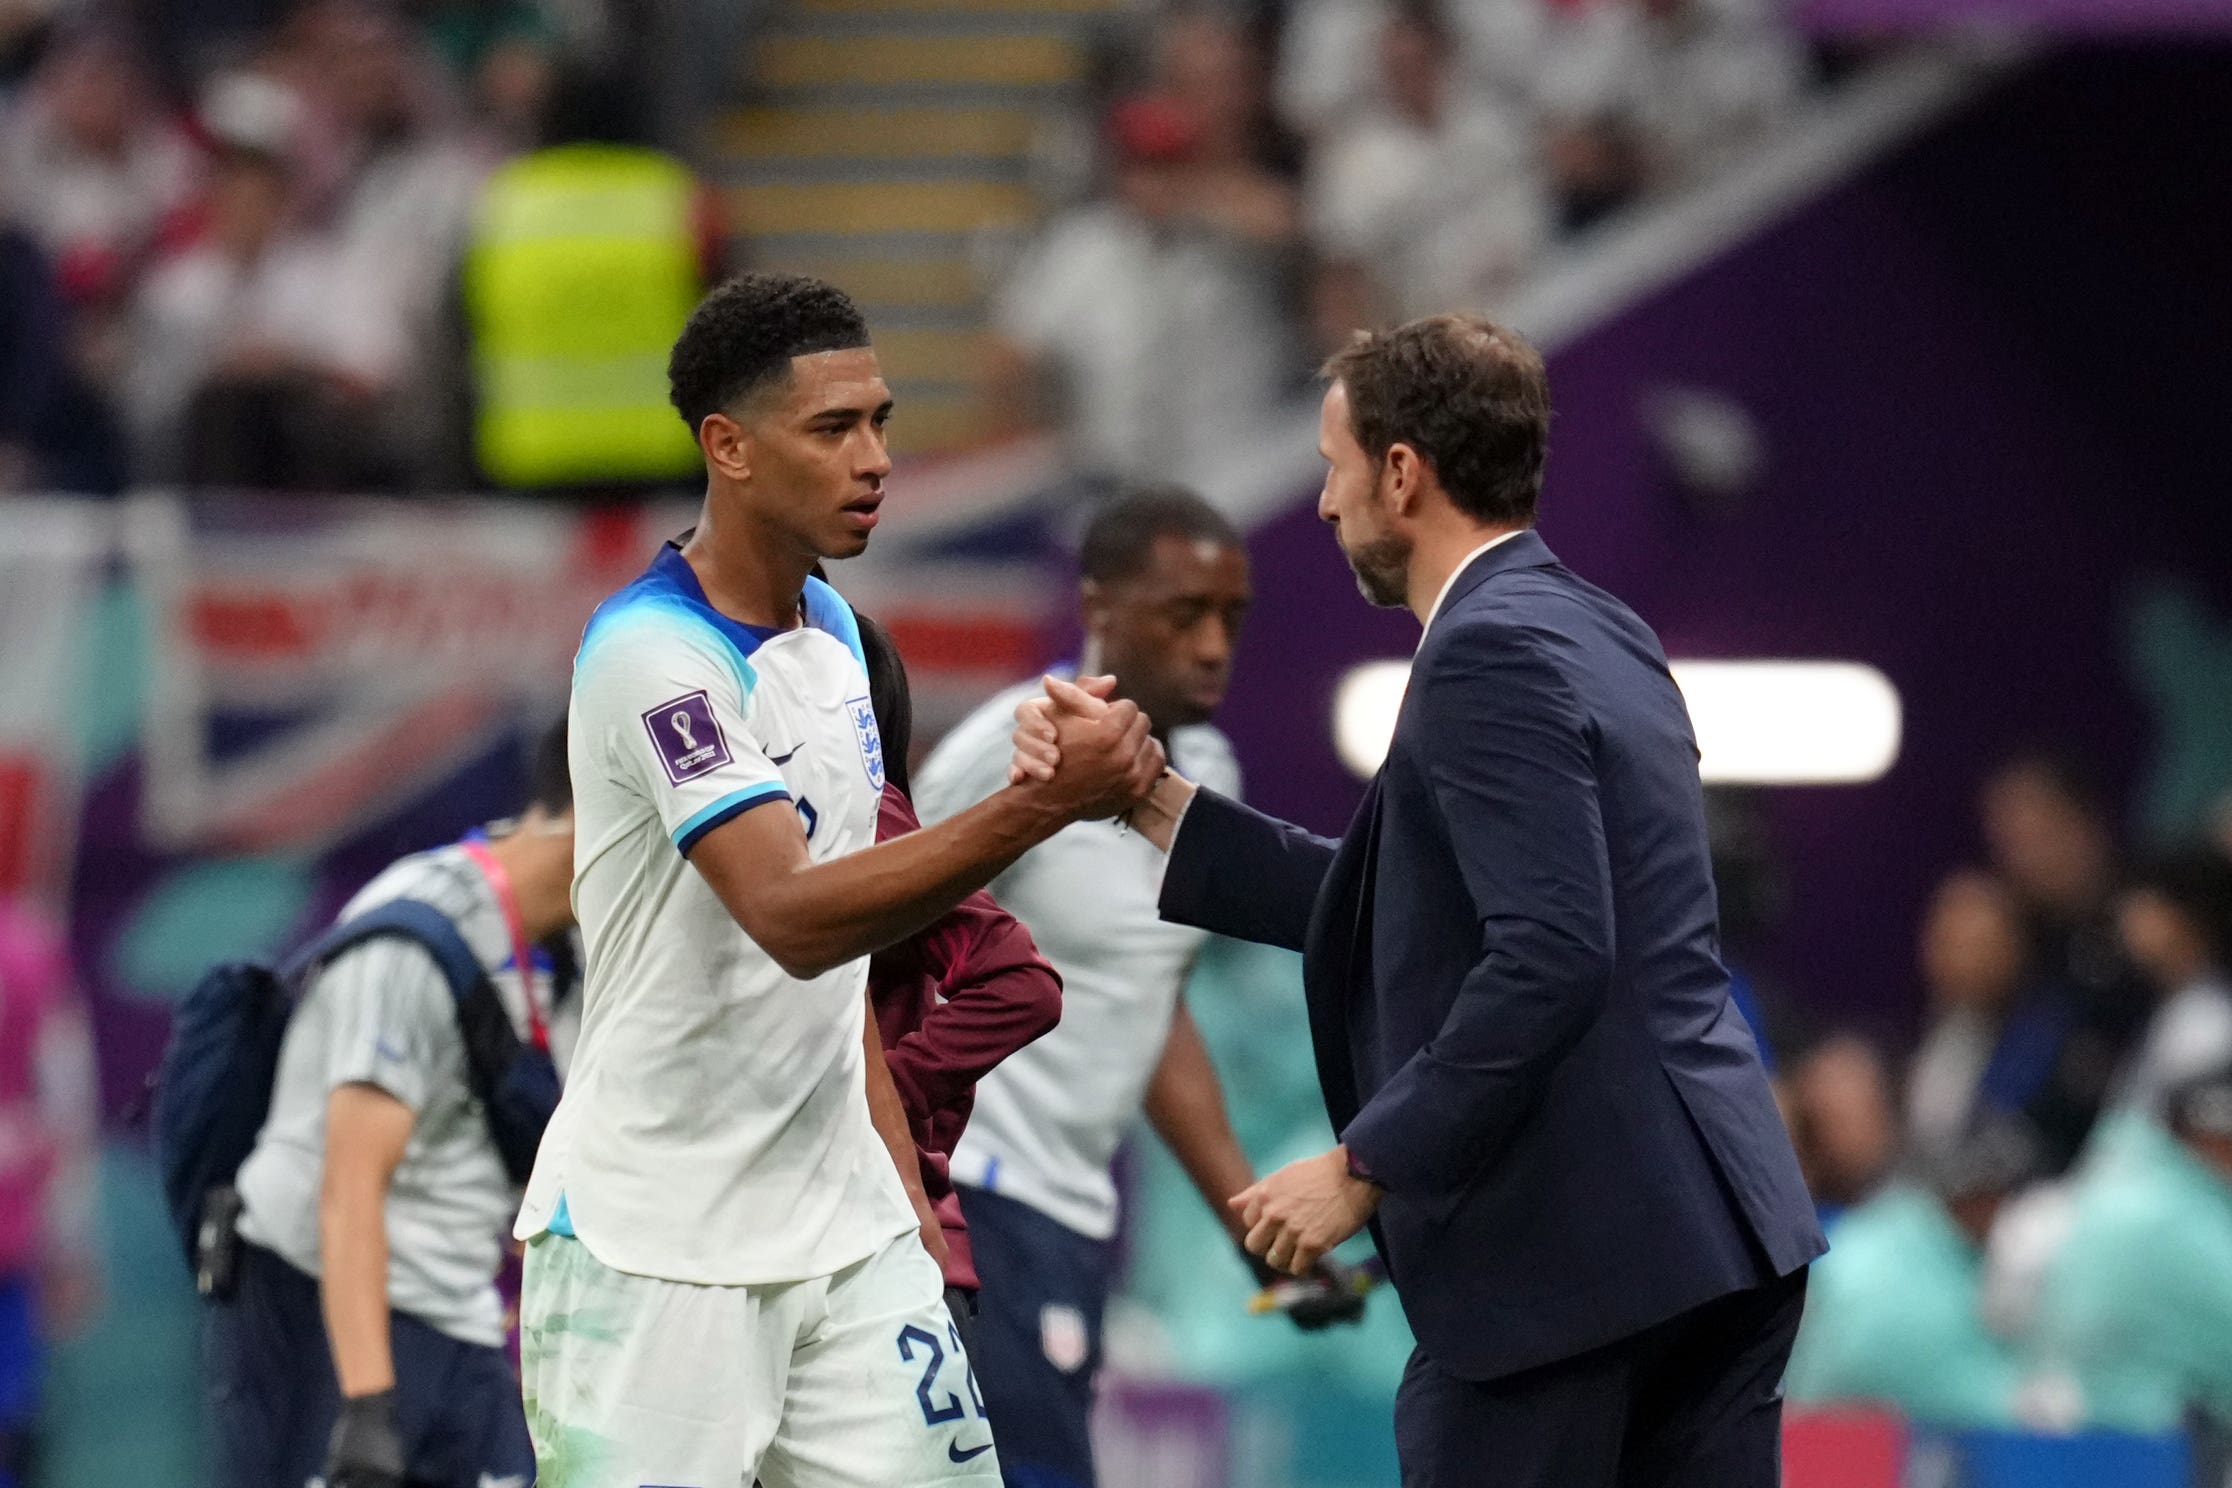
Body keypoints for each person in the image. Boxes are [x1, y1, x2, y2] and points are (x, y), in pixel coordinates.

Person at [1020, 314, 1824, 1486]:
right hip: (1711, 1236)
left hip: (1575, 1267)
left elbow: (1552, 953)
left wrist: (1363, 1165)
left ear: (1403, 474)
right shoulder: (1601, 628)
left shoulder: (1483, 654)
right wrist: (1146, 794)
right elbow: (1397, 903)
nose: (1323, 503)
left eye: (1333, 465)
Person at [513, 272, 1163, 1488]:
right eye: (832, 429)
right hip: (657, 1249)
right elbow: (794, 922)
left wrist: (898, 1177)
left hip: (847, 1236)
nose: (873, 459)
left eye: (881, 423)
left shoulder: (837, 637)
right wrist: (1041, 806)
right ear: (729, 447)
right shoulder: (654, 656)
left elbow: (850, 962)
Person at [916, 488, 1359, 1488]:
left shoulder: (1207, 770)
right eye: (1182, 613)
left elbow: (1154, 1009)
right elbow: (875, 955)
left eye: (1231, 619)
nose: (1212, 646)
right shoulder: (1012, 747)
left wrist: (1250, 1228)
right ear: (1101, 607)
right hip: (976, 1203)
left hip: (1072, 1219)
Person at [204, 723, 577, 1488]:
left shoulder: (579, 951)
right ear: (597, 813)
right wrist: (367, 1412)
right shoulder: (416, 932)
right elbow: (349, 1187)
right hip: (327, 1320)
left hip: (456, 1316)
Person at [857, 608, 1066, 1344]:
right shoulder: (740, 828)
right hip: (805, 1237)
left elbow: (1021, 984)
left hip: (878, 1250)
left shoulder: (861, 818)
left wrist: (878, 1094)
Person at [2023, 1063, 2232, 1435]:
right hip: (2155, 1448)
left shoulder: (2113, 1184)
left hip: (2077, 1435)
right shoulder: (2177, 1219)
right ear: (2213, 1135)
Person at [1784, 1120, 2034, 1428]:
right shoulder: (1903, 1270)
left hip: (1806, 1432)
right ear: (1978, 1196)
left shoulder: (1880, 1230)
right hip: (1834, 1442)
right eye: (2002, 1196)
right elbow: (1984, 1405)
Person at [0, 900, 99, 1488]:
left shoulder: (27, 954)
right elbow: (67, 1103)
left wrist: (72, 1242)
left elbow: (65, 1098)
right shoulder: (26, 949)